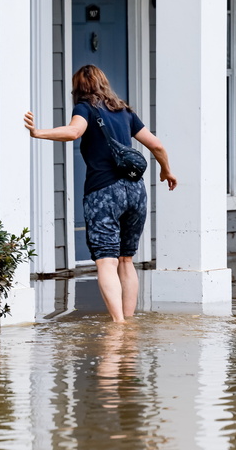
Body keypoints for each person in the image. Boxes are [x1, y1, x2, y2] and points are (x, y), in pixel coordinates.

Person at [23, 64, 177, 322]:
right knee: (126, 260)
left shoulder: (84, 108)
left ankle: (118, 324)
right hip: (135, 192)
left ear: (78, 88)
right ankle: (128, 323)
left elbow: (74, 132)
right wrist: (167, 171)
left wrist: (38, 132)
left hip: (104, 193)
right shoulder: (125, 111)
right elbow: (157, 145)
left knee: (107, 262)